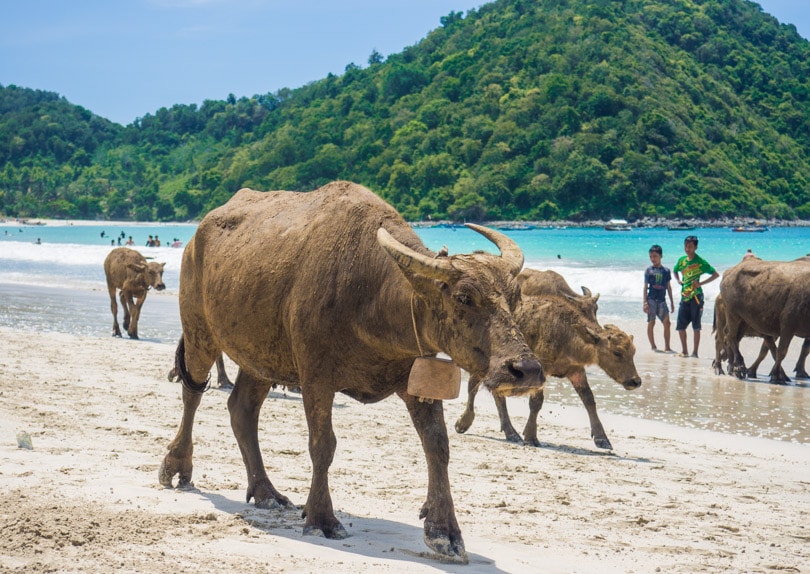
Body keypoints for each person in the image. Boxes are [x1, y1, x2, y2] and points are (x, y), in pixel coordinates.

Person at [673, 235, 719, 358]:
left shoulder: (700, 262)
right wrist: (678, 280)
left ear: (696, 247)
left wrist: (700, 283)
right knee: (680, 326)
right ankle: (685, 351)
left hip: (696, 297)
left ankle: (695, 353)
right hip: (684, 297)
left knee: (696, 326)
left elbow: (715, 274)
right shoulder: (682, 260)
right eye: (686, 246)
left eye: (690, 247)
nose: (687, 249)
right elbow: (675, 270)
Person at [643, 244, 675, 352]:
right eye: (651, 256)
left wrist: (672, 302)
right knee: (651, 322)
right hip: (651, 300)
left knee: (667, 323)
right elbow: (645, 287)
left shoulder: (666, 271)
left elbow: (669, 287)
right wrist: (645, 303)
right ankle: (653, 346)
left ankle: (667, 346)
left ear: (661, 256)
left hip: (662, 301)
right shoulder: (648, 270)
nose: (653, 259)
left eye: (655, 256)